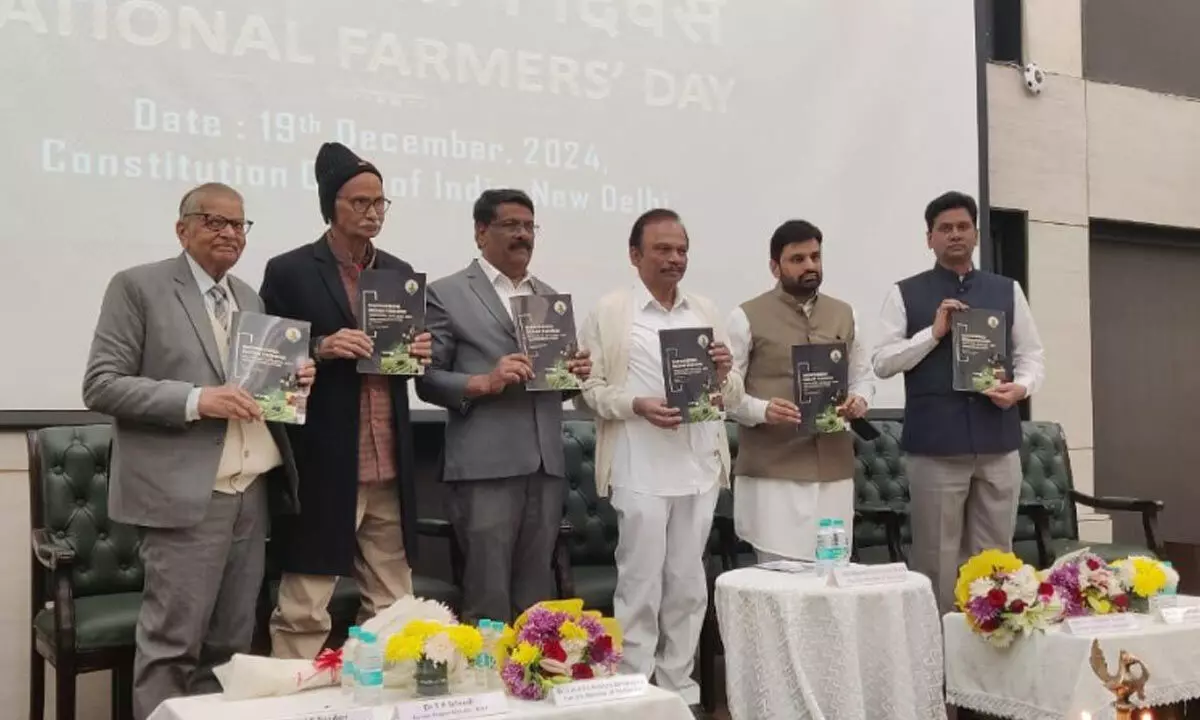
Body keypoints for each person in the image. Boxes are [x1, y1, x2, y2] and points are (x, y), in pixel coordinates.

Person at [82, 182, 314, 720]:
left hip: (249, 493)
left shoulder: (249, 297)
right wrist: (196, 400)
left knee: (230, 648)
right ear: (182, 228)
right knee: (171, 646)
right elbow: (101, 384)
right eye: (214, 221)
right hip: (184, 496)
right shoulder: (138, 286)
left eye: (238, 225)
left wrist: (294, 382)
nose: (229, 233)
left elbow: (255, 394)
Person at [259, 142, 432, 659]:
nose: (373, 212)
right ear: (330, 205)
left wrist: (421, 351)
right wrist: (320, 346)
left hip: (389, 460)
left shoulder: (399, 272)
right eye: (359, 202)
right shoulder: (289, 270)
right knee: (303, 608)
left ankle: (382, 701)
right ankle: (289, 706)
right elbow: (265, 370)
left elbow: (407, 363)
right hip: (324, 460)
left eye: (380, 202)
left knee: (395, 607)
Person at [577, 208, 743, 707]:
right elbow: (591, 390)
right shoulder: (609, 312)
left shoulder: (705, 311)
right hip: (638, 465)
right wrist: (637, 405)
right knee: (640, 583)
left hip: (698, 467)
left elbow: (731, 395)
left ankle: (678, 691)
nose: (675, 259)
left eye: (681, 250)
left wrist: (725, 373)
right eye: (663, 249)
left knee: (689, 584)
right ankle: (633, 690)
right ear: (635, 255)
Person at [415, 188, 591, 624]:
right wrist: (484, 381)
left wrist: (573, 376)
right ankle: (485, 690)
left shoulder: (548, 297)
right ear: (480, 232)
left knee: (536, 604)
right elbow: (426, 380)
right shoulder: (446, 293)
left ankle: (528, 685)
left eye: (530, 226)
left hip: (545, 468)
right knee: (487, 600)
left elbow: (551, 387)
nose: (523, 235)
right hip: (484, 468)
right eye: (511, 225)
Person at [872, 191, 1045, 612]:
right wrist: (932, 333)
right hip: (936, 446)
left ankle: (988, 656)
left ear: (976, 234)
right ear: (928, 238)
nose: (955, 235)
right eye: (944, 229)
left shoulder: (1007, 290)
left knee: (995, 560)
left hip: (998, 443)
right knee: (936, 560)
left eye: (963, 227)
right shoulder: (906, 293)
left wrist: (1020, 388)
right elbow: (881, 363)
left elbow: (1032, 356)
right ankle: (937, 666)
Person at [727, 219, 873, 562]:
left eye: (815, 256)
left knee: (831, 577)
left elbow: (862, 376)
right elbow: (725, 393)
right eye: (797, 259)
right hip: (774, 474)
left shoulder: (846, 314)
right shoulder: (745, 316)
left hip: (833, 471)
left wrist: (860, 400)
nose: (810, 265)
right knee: (779, 582)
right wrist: (762, 410)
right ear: (775, 266)